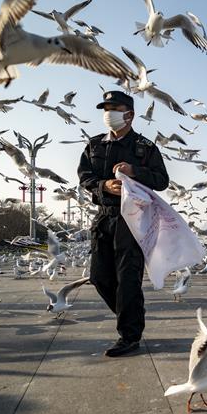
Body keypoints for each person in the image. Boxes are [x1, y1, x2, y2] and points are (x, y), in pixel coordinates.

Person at [78, 91, 169, 357]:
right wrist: (103, 185)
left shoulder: (144, 147)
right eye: (105, 109)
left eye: (114, 108)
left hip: (133, 218)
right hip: (104, 215)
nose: (108, 114)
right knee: (99, 277)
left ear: (129, 114)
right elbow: (85, 178)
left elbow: (162, 180)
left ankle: (129, 335)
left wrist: (134, 171)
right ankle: (131, 315)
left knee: (128, 278)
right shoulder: (94, 146)